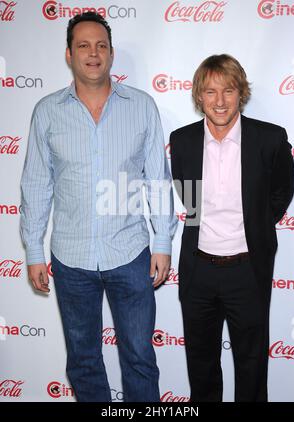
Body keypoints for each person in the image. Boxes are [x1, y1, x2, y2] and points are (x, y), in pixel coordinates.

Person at [20, 12, 177, 402]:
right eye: (84, 45)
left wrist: (161, 242)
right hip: (71, 260)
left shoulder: (141, 106)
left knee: (140, 358)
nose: (94, 53)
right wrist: (35, 250)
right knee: (84, 360)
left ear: (110, 54)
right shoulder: (47, 112)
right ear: (69, 54)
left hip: (131, 254)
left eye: (101, 45)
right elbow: (37, 184)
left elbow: (158, 179)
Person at [170, 54, 294, 402]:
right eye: (210, 92)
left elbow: (283, 190)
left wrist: (255, 222)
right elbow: (188, 197)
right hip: (198, 270)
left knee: (252, 367)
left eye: (228, 90)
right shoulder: (182, 141)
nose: (220, 101)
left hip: (247, 270)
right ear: (199, 97)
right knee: (201, 366)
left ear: (241, 93)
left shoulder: (269, 139)